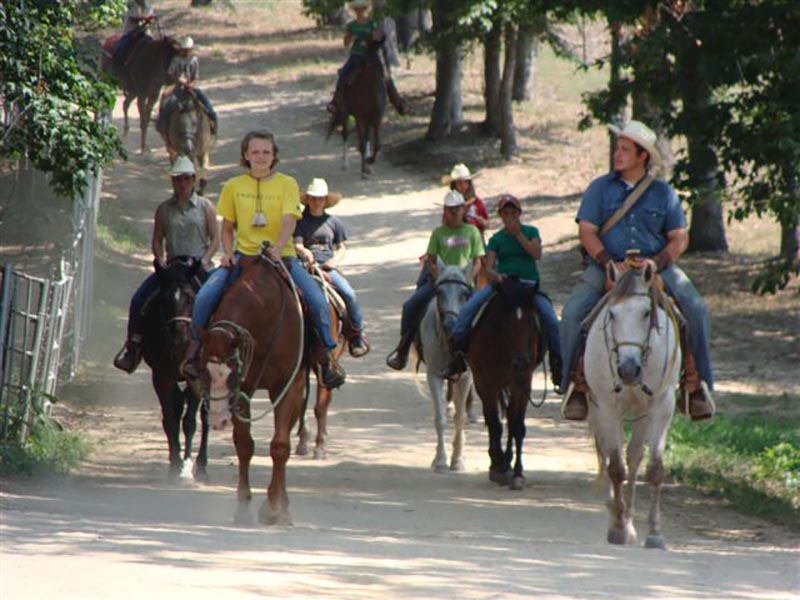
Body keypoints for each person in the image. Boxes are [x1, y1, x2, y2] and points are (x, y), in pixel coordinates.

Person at [560, 120, 715, 421]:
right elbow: (587, 232)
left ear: (642, 155)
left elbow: (679, 237)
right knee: (572, 314)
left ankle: (698, 387)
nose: (617, 154)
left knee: (696, 310)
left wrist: (656, 263)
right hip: (607, 265)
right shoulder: (599, 189)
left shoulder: (663, 193)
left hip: (653, 266)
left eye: (624, 150)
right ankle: (573, 386)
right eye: (618, 148)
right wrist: (607, 262)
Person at [182, 130, 346, 389]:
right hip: (243, 257)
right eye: (255, 152)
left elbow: (289, 219)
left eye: (266, 152)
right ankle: (193, 352)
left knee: (316, 300)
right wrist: (226, 253)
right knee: (204, 296)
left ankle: (325, 358)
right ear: (246, 155)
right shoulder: (234, 186)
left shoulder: (287, 184)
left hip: (283, 258)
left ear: (274, 156)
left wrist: (280, 247)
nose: (261, 157)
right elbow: (227, 227)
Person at [444, 194, 563, 387]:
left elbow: (536, 253)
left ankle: (557, 362)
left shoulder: (531, 231)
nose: (509, 216)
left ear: (519, 213)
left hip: (529, 286)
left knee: (551, 320)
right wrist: (497, 276)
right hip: (502, 285)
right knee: (469, 310)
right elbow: (489, 266)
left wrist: (518, 234)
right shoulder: (497, 239)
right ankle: (457, 354)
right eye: (505, 213)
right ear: (500, 216)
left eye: (513, 212)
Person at [113, 156, 219, 373]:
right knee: (139, 299)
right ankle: (133, 347)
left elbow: (215, 238)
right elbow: (157, 238)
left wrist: (206, 259)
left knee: (221, 300)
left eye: (186, 179)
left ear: (193, 180)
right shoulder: (164, 209)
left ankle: (222, 352)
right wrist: (160, 258)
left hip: (198, 265)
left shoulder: (205, 207)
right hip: (173, 267)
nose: (182, 183)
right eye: (177, 179)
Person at [386, 190, 484, 370]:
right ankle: (403, 350)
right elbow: (431, 260)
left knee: (486, 311)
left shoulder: (472, 232)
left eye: (457, 208)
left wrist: (468, 279)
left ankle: (487, 353)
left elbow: (478, 261)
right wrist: (439, 276)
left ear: (463, 209)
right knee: (410, 306)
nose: (453, 212)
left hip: (464, 283)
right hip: (441, 282)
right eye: (450, 209)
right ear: (445, 210)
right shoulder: (438, 233)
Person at [294, 178, 370, 358]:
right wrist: (305, 253)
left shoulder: (334, 222)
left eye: (320, 198)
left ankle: (356, 334)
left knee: (349, 293)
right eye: (313, 198)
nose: (317, 201)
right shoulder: (300, 221)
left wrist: (334, 262)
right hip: (305, 266)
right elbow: (297, 244)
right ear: (308, 200)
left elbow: (342, 247)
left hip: (328, 266)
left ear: (325, 200)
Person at [326, 0, 408, 118]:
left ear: (366, 10)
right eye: (357, 9)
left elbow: (378, 37)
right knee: (343, 74)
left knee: (385, 75)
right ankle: (336, 101)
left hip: (371, 55)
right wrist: (351, 37)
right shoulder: (352, 25)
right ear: (355, 11)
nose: (360, 12)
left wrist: (372, 38)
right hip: (356, 55)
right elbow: (346, 43)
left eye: (362, 9)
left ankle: (398, 101)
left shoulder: (372, 24)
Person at [157, 36, 218, 136]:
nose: (185, 52)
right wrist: (178, 80)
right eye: (184, 50)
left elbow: (196, 76)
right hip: (178, 87)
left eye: (188, 50)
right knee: (169, 104)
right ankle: (162, 123)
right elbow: (170, 74)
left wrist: (191, 84)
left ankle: (213, 121)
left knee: (206, 103)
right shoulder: (176, 60)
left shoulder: (194, 60)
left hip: (191, 86)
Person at [443, 163, 489, 240]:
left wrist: (483, 222)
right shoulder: (450, 204)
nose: (463, 185)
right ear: (454, 185)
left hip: (476, 241)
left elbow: (487, 223)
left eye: (465, 182)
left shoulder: (477, 202)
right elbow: (445, 224)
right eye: (459, 182)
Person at [112, 0, 156, 67]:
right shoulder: (130, 3)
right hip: (130, 31)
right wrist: (146, 18)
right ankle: (117, 65)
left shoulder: (147, 4)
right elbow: (132, 18)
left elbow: (150, 15)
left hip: (143, 31)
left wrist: (151, 19)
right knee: (121, 47)